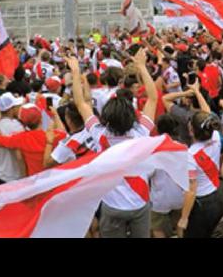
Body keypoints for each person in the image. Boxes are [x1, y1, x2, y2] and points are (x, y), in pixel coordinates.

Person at [67, 49, 159, 238]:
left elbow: (81, 103)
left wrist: (76, 73)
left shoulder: (100, 134)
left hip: (112, 204)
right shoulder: (141, 132)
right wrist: (141, 67)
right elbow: (153, 98)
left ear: (106, 117)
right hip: (140, 203)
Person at [178, 111, 223, 238]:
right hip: (217, 197)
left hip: (201, 206)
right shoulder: (216, 137)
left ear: (191, 130)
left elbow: (191, 190)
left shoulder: (190, 156)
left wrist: (184, 218)